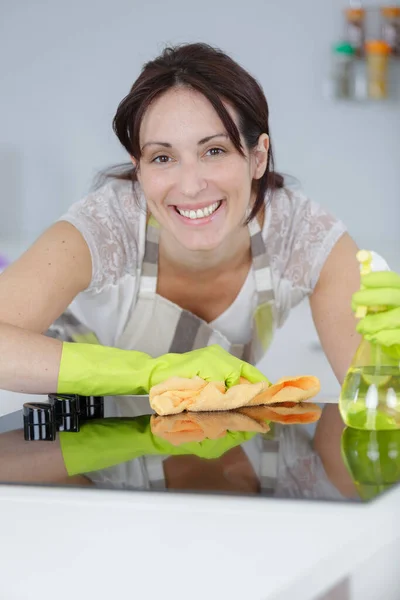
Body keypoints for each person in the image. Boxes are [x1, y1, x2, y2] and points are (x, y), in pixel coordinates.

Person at [0, 42, 399, 404]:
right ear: (138, 169)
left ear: (258, 156)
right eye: (162, 157)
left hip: (207, 453)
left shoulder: (304, 235)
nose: (190, 186)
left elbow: (381, 401)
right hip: (71, 448)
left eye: (214, 150)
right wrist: (150, 373)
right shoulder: (104, 227)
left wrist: (392, 360)